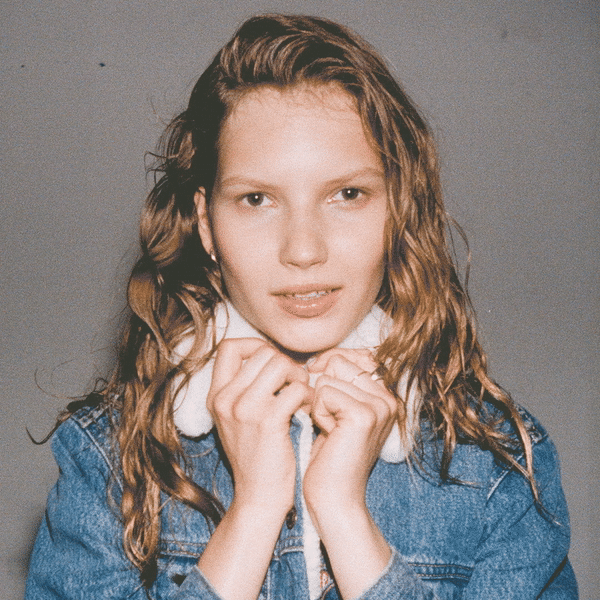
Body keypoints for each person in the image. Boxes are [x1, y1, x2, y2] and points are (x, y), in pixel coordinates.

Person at [25, 14, 577, 600]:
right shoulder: (107, 456)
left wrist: (345, 516)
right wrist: (254, 510)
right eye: (256, 199)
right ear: (206, 223)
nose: (304, 250)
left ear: (397, 210)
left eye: (347, 194)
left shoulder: (498, 464)